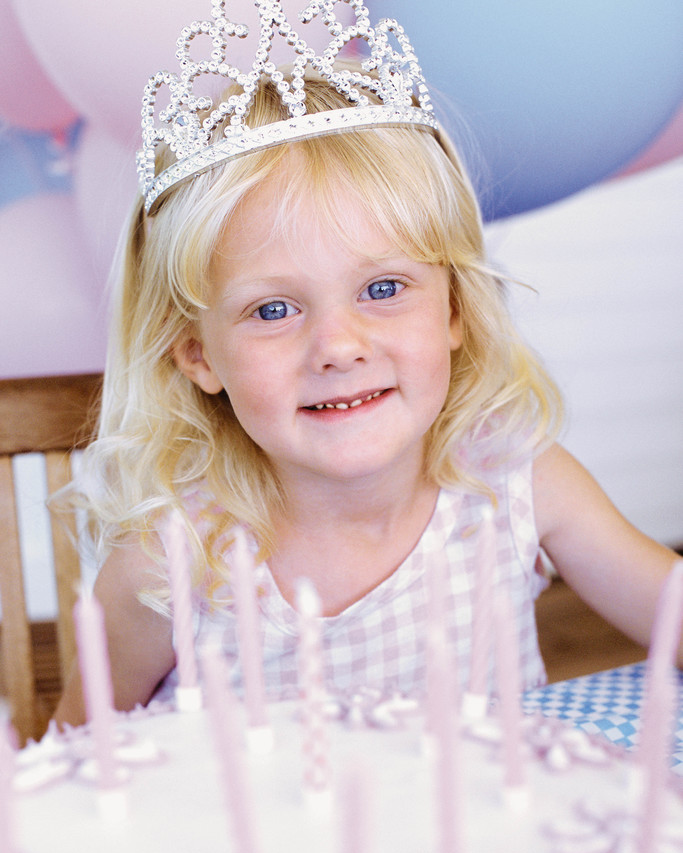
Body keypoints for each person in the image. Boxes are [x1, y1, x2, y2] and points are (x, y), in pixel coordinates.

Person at [53, 8, 682, 728]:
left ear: (454, 310)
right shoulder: (169, 567)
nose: (338, 346)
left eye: (382, 289)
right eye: (272, 309)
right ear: (198, 355)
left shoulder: (514, 482)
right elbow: (76, 757)